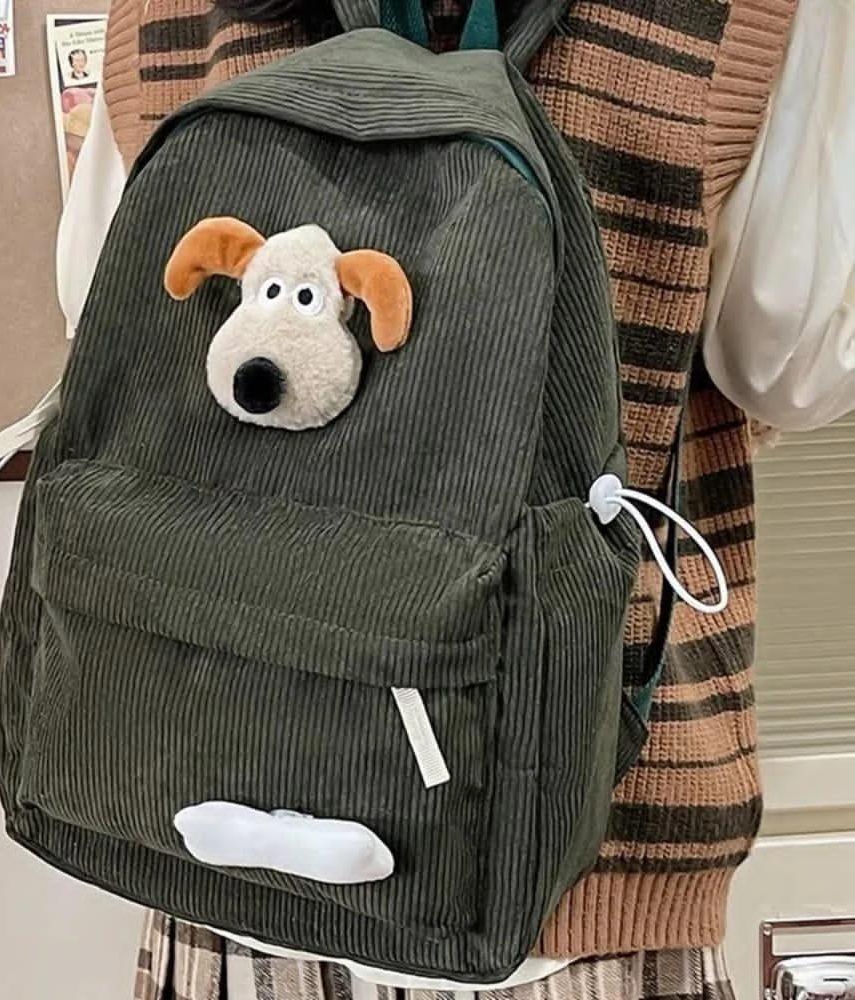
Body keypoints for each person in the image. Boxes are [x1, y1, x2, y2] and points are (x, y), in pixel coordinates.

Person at [52, 0, 851, 996]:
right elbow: (793, 366)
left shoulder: (168, 12)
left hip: (221, 803)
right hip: (582, 861)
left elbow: (97, 306)